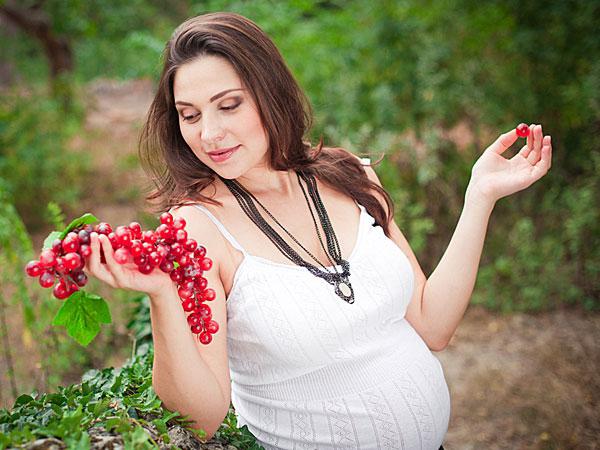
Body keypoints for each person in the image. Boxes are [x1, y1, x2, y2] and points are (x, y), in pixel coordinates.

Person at [84, 12, 552, 450]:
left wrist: (479, 197)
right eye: (190, 115)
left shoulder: (348, 174)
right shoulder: (197, 228)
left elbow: (433, 326)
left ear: (270, 93)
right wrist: (162, 296)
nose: (209, 134)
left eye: (228, 105)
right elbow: (201, 420)